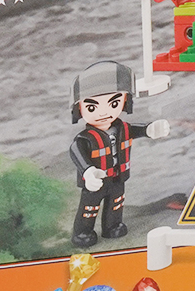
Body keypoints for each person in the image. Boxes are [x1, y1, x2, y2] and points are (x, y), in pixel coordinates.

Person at [69, 61, 169, 248]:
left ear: (125, 101)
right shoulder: (85, 138)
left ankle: (112, 226)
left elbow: (137, 130)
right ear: (79, 108)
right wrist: (88, 172)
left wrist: (149, 129)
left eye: (113, 103)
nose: (104, 112)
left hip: (117, 177)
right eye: (92, 107)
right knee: (89, 209)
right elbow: (76, 153)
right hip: (96, 181)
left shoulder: (123, 128)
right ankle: (82, 232)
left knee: (116, 203)